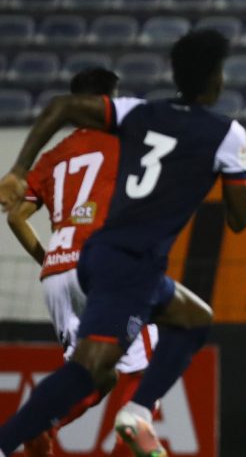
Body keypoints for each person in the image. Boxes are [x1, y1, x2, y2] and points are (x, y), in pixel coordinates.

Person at [0, 29, 246, 457]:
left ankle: (132, 413)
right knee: (89, 372)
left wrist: (18, 170)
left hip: (97, 257)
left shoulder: (137, 113)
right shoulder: (227, 133)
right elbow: (238, 219)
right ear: (215, 79)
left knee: (192, 319)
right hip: (130, 263)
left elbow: (61, 107)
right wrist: (237, 183)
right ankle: (11, 441)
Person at [6, 68, 159, 457]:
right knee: (147, 364)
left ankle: (43, 424)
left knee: (96, 375)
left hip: (57, 274)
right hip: (103, 266)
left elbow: (15, 216)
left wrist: (49, 257)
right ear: (107, 102)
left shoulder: (53, 155)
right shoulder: (125, 141)